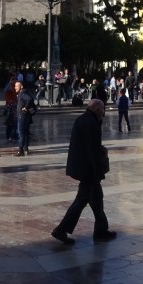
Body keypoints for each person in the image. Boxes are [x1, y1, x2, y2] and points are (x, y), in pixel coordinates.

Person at [51, 99, 115, 245]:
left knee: (97, 198)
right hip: (87, 169)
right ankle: (61, 230)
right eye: (103, 109)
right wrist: (97, 170)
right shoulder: (90, 123)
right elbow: (91, 150)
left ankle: (101, 230)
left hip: (83, 167)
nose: (104, 112)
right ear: (97, 109)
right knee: (81, 200)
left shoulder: (86, 119)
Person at [13, 80, 36, 156]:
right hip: (25, 116)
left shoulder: (22, 93)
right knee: (25, 133)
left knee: (21, 133)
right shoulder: (24, 92)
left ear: (21, 86)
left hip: (22, 116)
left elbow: (29, 99)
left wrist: (25, 107)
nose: (15, 87)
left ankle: (20, 150)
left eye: (17, 86)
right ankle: (26, 148)